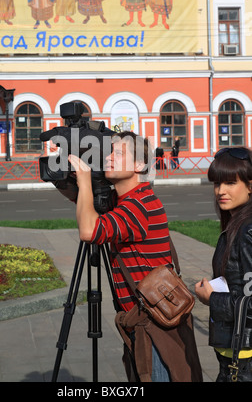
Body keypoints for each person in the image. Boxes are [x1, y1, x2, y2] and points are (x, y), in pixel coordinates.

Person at [68, 131, 202, 382]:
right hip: (146, 321)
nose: (108, 157)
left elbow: (89, 230)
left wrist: (85, 182)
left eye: (118, 153)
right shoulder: (130, 201)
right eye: (109, 152)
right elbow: (84, 206)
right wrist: (69, 177)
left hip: (154, 329)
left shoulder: (136, 206)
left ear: (139, 165)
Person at [195, 147, 252, 382]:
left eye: (230, 183)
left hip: (244, 357)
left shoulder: (247, 231)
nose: (221, 191)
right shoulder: (237, 225)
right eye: (217, 183)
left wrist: (211, 298)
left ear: (250, 185)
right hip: (234, 349)